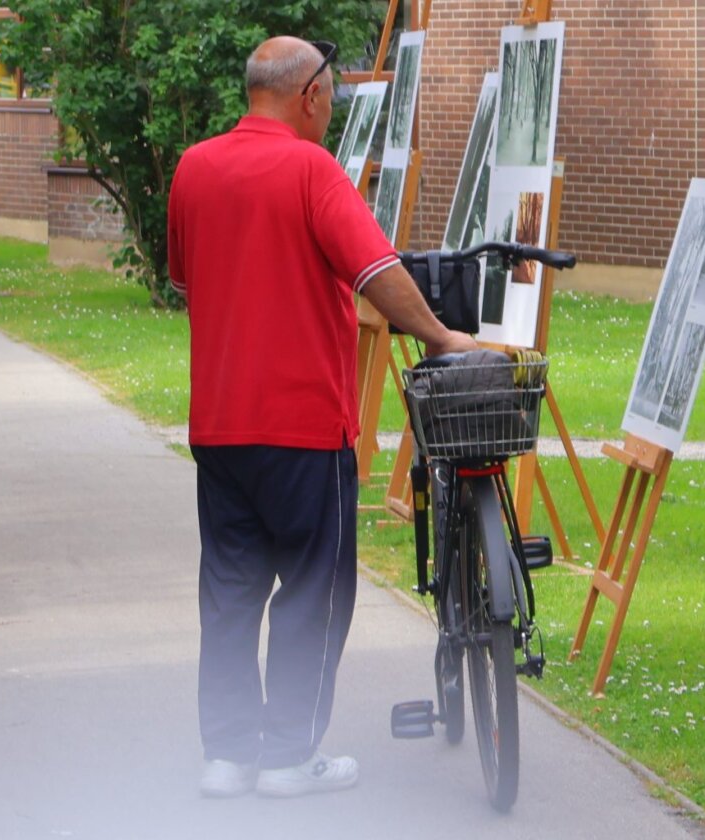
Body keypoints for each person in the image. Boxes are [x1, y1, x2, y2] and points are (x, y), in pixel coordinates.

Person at [167, 36, 476, 799]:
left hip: (219, 425)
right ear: (308, 95)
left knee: (231, 591)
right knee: (313, 589)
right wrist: (441, 336)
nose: (332, 111)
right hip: (305, 427)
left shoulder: (193, 168)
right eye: (331, 98)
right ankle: (287, 756)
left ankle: (226, 755)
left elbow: (185, 277)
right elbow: (378, 273)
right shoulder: (312, 170)